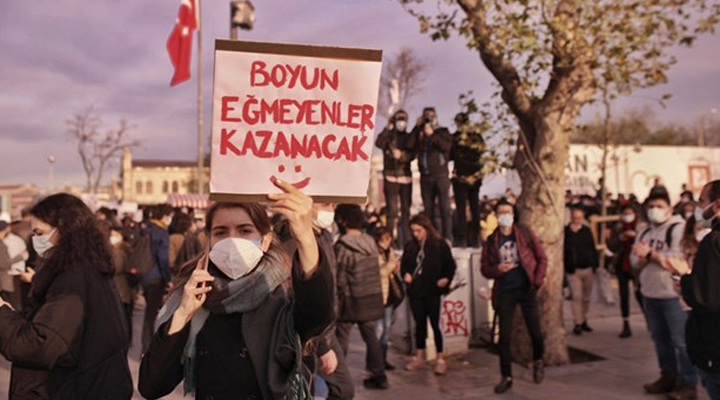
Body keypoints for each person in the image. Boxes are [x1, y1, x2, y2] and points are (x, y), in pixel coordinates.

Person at [138, 179, 334, 400]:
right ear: (210, 240)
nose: (232, 240)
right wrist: (182, 315)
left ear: (266, 240)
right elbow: (151, 386)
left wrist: (306, 238)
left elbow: (318, 314)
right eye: (221, 232)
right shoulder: (196, 295)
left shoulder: (284, 294)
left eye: (244, 230)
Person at [0, 193, 133, 399]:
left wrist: (2, 313)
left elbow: (40, 344)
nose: (37, 240)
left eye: (40, 232)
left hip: (74, 389)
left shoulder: (73, 279)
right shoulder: (89, 269)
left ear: (65, 230)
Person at [278, 203, 355, 400]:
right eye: (324, 203)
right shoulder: (292, 241)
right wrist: (322, 346)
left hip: (325, 329)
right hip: (312, 335)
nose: (331, 208)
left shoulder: (324, 236)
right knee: (341, 389)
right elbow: (295, 296)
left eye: (333, 203)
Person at [631, 189, 697, 399]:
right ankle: (668, 376)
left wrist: (651, 255)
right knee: (660, 339)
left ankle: (688, 384)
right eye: (650, 207)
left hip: (671, 294)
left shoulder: (677, 229)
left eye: (659, 206)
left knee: (682, 341)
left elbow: (678, 261)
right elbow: (634, 261)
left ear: (669, 208)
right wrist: (641, 259)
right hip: (650, 293)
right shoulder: (644, 232)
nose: (654, 211)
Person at [661, 180, 720, 400]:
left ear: (717, 205)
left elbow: (707, 297)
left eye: (702, 201)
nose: (698, 207)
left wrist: (685, 279)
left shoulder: (713, 242)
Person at [480, 199, 546, 394]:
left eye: (507, 211)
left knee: (535, 331)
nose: (504, 216)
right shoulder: (492, 240)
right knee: (504, 337)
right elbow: (484, 268)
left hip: (526, 288)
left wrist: (537, 280)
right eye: (500, 212)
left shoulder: (524, 233)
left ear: (514, 213)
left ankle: (538, 360)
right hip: (505, 291)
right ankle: (506, 376)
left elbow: (542, 257)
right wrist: (497, 270)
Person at [333, 204, 389, 389]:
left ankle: (336, 375)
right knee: (371, 336)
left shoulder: (343, 245)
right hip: (371, 296)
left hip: (351, 300)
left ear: (343, 220)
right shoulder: (370, 242)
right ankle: (379, 375)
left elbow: (339, 278)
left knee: (341, 336)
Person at [401, 213, 456, 375]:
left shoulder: (439, 244)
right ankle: (419, 356)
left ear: (426, 229)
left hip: (432, 290)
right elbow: (404, 265)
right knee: (419, 325)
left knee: (435, 324)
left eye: (419, 230)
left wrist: (446, 278)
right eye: (413, 231)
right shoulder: (410, 246)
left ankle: (440, 357)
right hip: (416, 291)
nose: (416, 234)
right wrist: (406, 275)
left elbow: (450, 265)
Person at [375, 109, 416, 247]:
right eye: (398, 118)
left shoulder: (410, 137)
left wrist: (402, 156)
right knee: (391, 213)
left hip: (405, 177)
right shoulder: (389, 136)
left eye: (403, 119)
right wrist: (387, 127)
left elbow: (413, 153)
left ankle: (406, 243)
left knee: (405, 213)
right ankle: (390, 243)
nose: (401, 121)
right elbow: (379, 143)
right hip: (390, 176)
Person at [412, 107, 454, 240]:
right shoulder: (419, 133)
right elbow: (409, 146)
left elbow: (446, 147)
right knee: (428, 210)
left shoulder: (442, 131)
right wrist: (416, 128)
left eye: (431, 116)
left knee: (444, 208)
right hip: (425, 176)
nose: (429, 118)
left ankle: (447, 237)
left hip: (440, 175)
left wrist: (432, 135)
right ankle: (430, 237)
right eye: (426, 116)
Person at [140, 204, 174, 353]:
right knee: (154, 315)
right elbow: (162, 258)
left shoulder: (145, 228)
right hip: (156, 277)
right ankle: (149, 349)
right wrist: (168, 279)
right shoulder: (161, 232)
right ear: (165, 216)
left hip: (144, 276)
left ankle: (145, 346)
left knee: (148, 315)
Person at [450, 112, 485, 248]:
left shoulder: (475, 137)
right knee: (462, 210)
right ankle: (463, 238)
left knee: (473, 209)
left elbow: (479, 153)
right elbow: (451, 155)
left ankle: (474, 238)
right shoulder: (456, 138)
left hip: (472, 178)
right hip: (461, 178)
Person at [607, 204, 641, 338]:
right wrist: (620, 239)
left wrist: (635, 236)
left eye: (630, 213)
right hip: (622, 265)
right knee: (623, 295)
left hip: (636, 266)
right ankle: (625, 323)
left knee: (640, 293)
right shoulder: (617, 227)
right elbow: (611, 245)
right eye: (625, 213)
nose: (627, 216)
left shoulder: (641, 227)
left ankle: (650, 321)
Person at [564, 206, 599, 335]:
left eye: (579, 218)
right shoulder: (566, 232)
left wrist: (595, 265)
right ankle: (577, 322)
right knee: (576, 296)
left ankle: (584, 319)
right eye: (574, 217)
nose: (576, 220)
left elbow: (592, 248)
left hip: (588, 268)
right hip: (573, 270)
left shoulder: (586, 231)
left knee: (586, 297)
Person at [373, 226, 400, 371]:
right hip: (378, 296)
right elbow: (381, 271)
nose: (388, 241)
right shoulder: (374, 252)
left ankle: (383, 360)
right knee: (378, 330)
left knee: (386, 330)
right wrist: (392, 264)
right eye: (385, 238)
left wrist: (395, 266)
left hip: (389, 296)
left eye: (390, 238)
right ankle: (376, 362)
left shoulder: (390, 251)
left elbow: (392, 270)